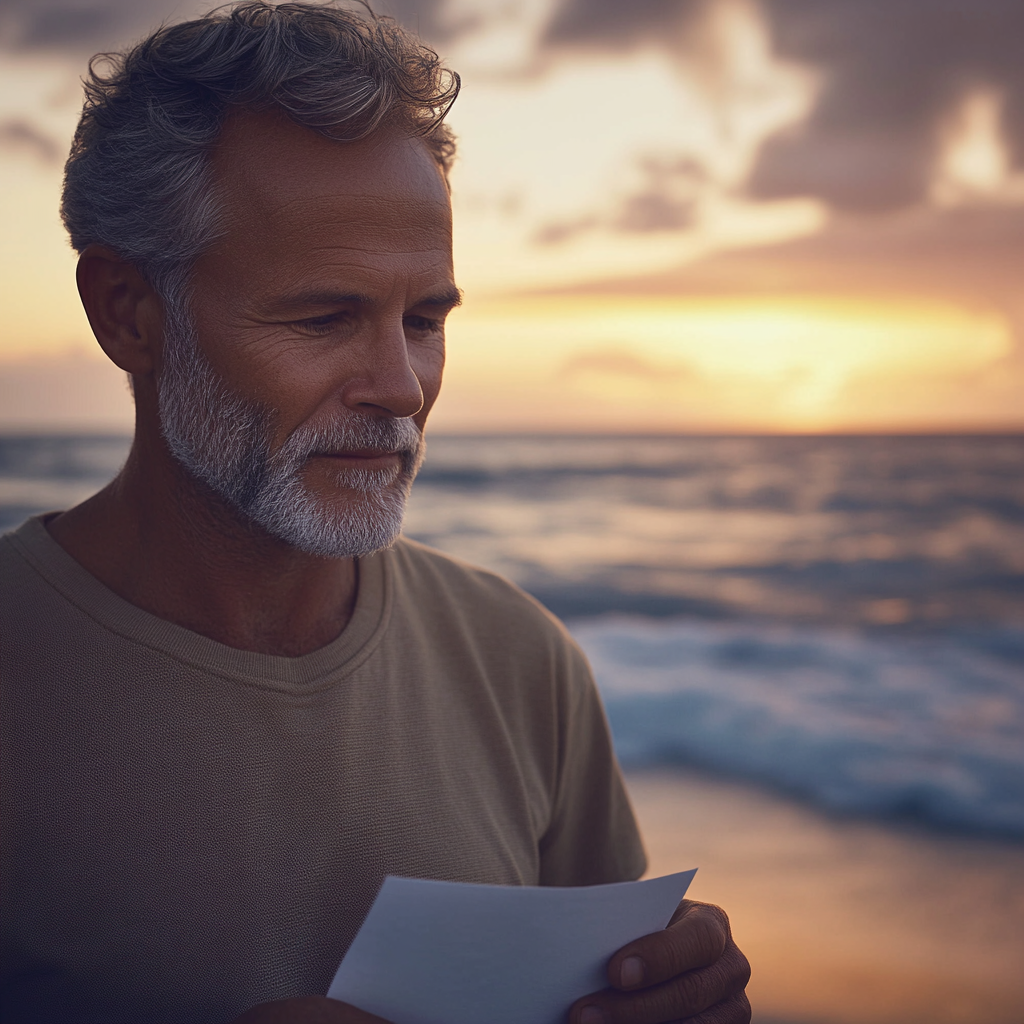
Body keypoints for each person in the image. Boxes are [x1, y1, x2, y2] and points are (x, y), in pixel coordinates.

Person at [0, 3, 751, 1022]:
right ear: (129, 312)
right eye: (323, 316)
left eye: (425, 320)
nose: (400, 386)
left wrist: (679, 999)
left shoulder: (519, 659)